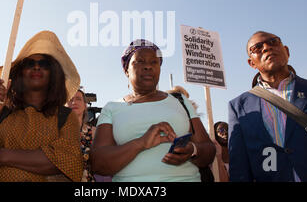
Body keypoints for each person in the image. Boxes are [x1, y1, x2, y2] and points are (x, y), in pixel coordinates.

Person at [0, 30, 83, 182]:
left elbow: (69, 161)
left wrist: (2, 156)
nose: (36, 67)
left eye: (44, 64)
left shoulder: (65, 116)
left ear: (53, 74)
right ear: (19, 73)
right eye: (29, 64)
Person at [91, 39, 215, 182]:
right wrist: (141, 143)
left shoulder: (180, 101)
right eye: (140, 61)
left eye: (154, 62)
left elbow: (209, 151)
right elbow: (98, 163)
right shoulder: (112, 108)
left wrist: (193, 150)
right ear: (126, 70)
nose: (148, 66)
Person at [228, 31, 307, 182]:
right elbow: (239, 169)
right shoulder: (238, 107)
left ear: (287, 51)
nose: (266, 48)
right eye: (257, 48)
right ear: (252, 63)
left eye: (273, 42)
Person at [66, 88, 96, 182]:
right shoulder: (55, 131)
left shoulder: (95, 132)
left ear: (85, 105)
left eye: (78, 99)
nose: (74, 102)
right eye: (70, 99)